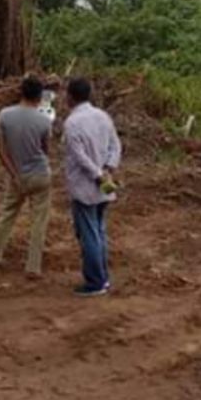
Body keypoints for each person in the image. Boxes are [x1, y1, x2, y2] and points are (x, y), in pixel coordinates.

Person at [0, 76, 54, 279]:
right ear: (39, 96)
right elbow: (45, 150)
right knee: (38, 222)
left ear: (20, 92)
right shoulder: (43, 120)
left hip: (16, 174)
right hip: (40, 175)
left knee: (7, 214)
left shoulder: (5, 115)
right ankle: (33, 266)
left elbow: (0, 150)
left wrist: (14, 174)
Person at [61, 77, 121, 297]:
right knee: (99, 230)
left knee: (88, 234)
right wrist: (109, 169)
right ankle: (102, 277)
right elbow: (116, 144)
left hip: (85, 185)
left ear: (70, 96)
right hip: (104, 181)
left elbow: (80, 157)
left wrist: (97, 175)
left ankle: (95, 281)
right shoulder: (102, 116)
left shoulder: (72, 123)